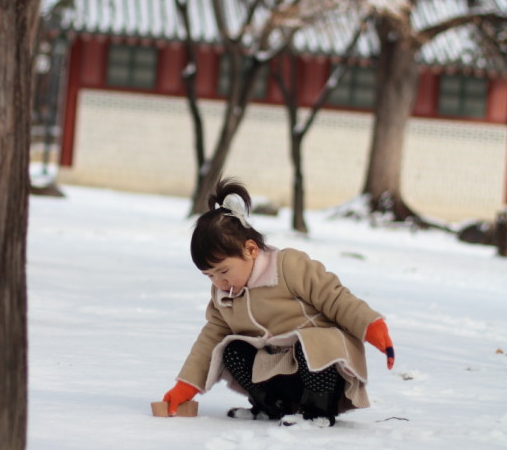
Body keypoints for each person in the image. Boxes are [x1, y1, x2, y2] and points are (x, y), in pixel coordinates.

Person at [162, 178, 394, 424]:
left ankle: (318, 411)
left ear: (250, 250)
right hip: (280, 369)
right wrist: (186, 385)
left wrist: (371, 326)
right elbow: (211, 338)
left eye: (223, 271)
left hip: (322, 368)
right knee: (231, 348)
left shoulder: (287, 266)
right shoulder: (224, 296)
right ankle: (271, 406)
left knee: (314, 342)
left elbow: (335, 297)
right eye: (209, 275)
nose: (218, 282)